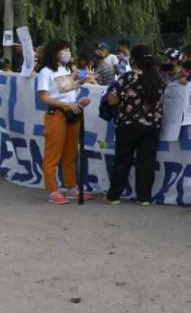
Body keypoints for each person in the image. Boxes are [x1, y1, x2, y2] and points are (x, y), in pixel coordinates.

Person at [104, 45, 166, 206]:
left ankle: (114, 196)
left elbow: (112, 100)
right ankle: (144, 197)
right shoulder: (158, 79)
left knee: (122, 160)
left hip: (128, 125)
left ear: (134, 60)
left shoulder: (127, 77)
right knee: (147, 162)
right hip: (152, 126)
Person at [37, 39, 95, 204]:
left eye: (68, 50)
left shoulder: (67, 69)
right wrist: (65, 104)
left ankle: (71, 188)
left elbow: (67, 90)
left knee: (70, 154)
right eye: (64, 50)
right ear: (54, 52)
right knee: (52, 155)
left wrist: (81, 86)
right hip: (56, 114)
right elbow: (44, 97)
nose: (67, 53)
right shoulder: (46, 71)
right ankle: (53, 190)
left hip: (73, 113)